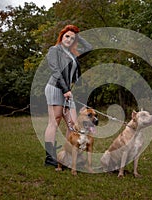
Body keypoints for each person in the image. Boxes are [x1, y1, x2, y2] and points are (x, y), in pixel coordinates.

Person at [44, 25, 92, 167]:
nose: (69, 39)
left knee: (72, 124)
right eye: (67, 36)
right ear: (61, 36)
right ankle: (50, 158)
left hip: (68, 91)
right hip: (55, 87)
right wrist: (65, 89)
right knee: (55, 121)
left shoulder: (73, 53)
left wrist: (78, 35)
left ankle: (67, 156)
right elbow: (55, 71)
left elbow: (89, 47)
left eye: (72, 38)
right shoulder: (54, 50)